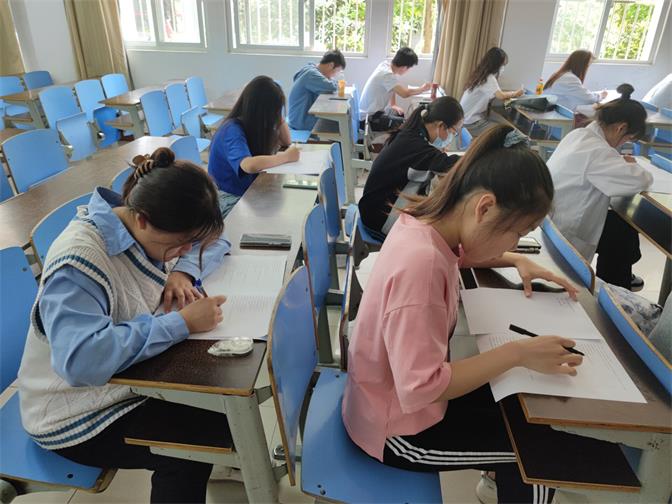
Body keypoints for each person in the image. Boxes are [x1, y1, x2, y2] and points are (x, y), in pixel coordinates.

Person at [343, 124, 583, 504]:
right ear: (484, 208)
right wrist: (518, 353)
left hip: (386, 401)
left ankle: (495, 481)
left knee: (518, 406)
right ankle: (505, 478)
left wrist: (515, 259)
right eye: (517, 232)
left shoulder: (424, 226)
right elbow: (421, 388)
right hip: (398, 432)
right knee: (537, 453)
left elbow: (458, 255)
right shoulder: (421, 268)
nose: (516, 242)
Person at [18, 148, 231, 502]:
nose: (184, 250)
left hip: (123, 383)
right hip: (73, 412)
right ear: (143, 220)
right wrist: (180, 323)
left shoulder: (143, 223)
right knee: (191, 446)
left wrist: (181, 270)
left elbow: (216, 240)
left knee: (217, 406)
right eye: (179, 246)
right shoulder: (78, 262)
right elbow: (82, 361)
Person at [547, 84, 653, 290]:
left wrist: (620, 162)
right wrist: (631, 164)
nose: (622, 145)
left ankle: (617, 281)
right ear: (621, 128)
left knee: (621, 229)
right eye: (627, 139)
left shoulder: (579, 135)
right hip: (566, 231)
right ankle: (616, 288)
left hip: (552, 219)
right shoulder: (598, 152)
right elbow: (642, 180)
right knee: (622, 235)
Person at [358, 96, 464, 239]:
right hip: (379, 219)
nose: (452, 137)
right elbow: (449, 164)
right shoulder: (417, 147)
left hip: (372, 208)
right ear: (441, 126)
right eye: (453, 132)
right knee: (443, 232)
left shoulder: (410, 133)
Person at [208, 76, 300, 217]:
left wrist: (278, 116)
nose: (276, 116)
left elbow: (286, 141)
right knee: (276, 216)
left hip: (248, 191)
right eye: (274, 111)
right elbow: (249, 165)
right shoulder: (232, 130)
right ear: (261, 111)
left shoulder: (254, 124)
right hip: (227, 198)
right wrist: (286, 157)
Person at [359, 47, 431, 131]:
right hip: (368, 119)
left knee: (400, 114)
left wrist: (393, 104)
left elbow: (391, 88)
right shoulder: (387, 75)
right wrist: (423, 89)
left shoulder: (385, 65)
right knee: (405, 125)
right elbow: (405, 93)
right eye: (409, 68)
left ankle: (393, 138)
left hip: (371, 113)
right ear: (404, 67)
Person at [460, 47, 523, 137]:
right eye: (502, 65)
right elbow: (501, 96)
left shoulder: (480, 74)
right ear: (496, 64)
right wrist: (516, 93)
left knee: (504, 125)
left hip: (464, 119)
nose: (503, 68)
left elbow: (497, 93)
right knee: (505, 132)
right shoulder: (489, 78)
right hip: (470, 122)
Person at [288, 49, 347, 131]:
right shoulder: (311, 74)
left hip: (298, 118)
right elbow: (331, 87)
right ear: (331, 65)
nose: (334, 75)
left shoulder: (310, 69)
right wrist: (337, 82)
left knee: (337, 123)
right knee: (340, 126)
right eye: (337, 71)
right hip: (301, 121)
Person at [544, 49, 608, 111]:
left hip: (552, 109)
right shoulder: (569, 78)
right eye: (587, 65)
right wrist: (601, 95)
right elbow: (588, 99)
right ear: (581, 64)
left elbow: (582, 94)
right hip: (555, 112)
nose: (587, 68)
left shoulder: (562, 74)